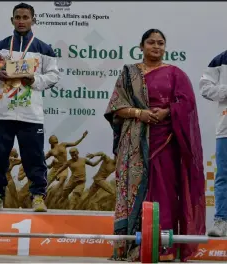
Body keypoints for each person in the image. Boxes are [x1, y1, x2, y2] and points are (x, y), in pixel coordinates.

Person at [104, 29, 206, 262]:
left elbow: (187, 105)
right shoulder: (129, 74)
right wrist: (140, 113)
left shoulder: (175, 74)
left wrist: (167, 112)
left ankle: (164, 248)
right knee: (132, 193)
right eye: (151, 42)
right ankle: (132, 247)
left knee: (164, 192)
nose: (157, 47)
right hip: (133, 145)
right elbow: (115, 107)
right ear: (141, 46)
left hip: (165, 142)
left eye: (161, 43)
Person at [0, 2, 60, 212]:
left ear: (33, 20)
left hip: (30, 114)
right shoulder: (0, 47)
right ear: (12, 20)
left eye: (26, 17)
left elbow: (53, 76)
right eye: (18, 17)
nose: (21, 21)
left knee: (34, 157)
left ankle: (38, 197)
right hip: (3, 111)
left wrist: (32, 79)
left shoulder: (44, 49)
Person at [199, 50, 227, 237]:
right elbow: (204, 88)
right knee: (223, 176)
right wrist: (225, 90)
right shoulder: (221, 59)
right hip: (226, 128)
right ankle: (222, 220)